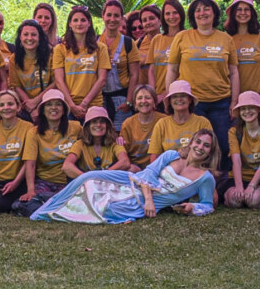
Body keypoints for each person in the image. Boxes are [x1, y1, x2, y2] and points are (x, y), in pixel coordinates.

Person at [31, 131, 218, 223]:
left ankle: (59, 214)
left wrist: (192, 206)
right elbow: (148, 173)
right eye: (198, 142)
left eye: (206, 146)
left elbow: (208, 205)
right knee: (89, 178)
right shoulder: (171, 155)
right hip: (131, 181)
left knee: (106, 209)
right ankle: (45, 209)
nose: (200, 147)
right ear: (191, 142)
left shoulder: (205, 178)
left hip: (137, 203)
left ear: (211, 152)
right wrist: (149, 200)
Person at [164, 0, 239, 155]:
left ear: (214, 13)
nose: (202, 13)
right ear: (192, 15)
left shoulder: (226, 39)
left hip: (221, 103)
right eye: (198, 10)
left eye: (206, 8)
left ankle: (220, 179)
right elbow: (171, 69)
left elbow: (234, 72)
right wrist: (170, 97)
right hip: (191, 103)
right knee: (195, 149)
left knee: (223, 147)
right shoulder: (182, 37)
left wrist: (234, 101)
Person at [52, 5, 111, 120]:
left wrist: (84, 103)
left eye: (83, 20)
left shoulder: (100, 48)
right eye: (75, 20)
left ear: (89, 23)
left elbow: (102, 79)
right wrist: (72, 105)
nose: (79, 23)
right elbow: (59, 80)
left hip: (94, 105)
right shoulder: (60, 49)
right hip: (69, 106)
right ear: (70, 24)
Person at [0, 90, 37, 213]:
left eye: (10, 104)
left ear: (18, 107)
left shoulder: (28, 128)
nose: (6, 108)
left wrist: (15, 183)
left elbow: (27, 162)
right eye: (1, 105)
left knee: (2, 205)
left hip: (15, 179)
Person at [225, 90, 260, 209]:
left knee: (254, 201)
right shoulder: (234, 132)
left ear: (259, 110)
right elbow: (235, 160)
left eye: (251, 107)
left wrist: (252, 186)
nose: (247, 112)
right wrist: (239, 186)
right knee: (234, 200)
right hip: (240, 177)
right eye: (243, 108)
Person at [31, 89, 81, 210]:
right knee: (32, 203)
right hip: (44, 181)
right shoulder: (33, 132)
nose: (54, 108)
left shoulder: (76, 127)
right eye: (49, 104)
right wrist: (30, 190)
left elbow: (93, 139)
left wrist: (118, 140)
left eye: (58, 104)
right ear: (42, 110)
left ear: (64, 109)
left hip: (70, 182)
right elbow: (30, 163)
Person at [99, 0, 141, 123]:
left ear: (122, 18)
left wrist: (129, 101)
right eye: (109, 15)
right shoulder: (94, 42)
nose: (112, 19)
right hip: (99, 99)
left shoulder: (128, 43)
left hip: (122, 99)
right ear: (103, 16)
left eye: (116, 16)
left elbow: (134, 75)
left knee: (122, 136)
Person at [227, 0, 260, 103]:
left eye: (246, 9)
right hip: (234, 99)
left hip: (258, 98)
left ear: (252, 13)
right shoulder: (227, 38)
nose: (243, 13)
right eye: (239, 9)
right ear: (233, 13)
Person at [148, 80, 214, 159]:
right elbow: (155, 156)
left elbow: (210, 153)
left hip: (196, 168)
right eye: (175, 96)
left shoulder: (203, 123)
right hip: (168, 169)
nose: (179, 99)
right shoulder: (162, 124)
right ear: (170, 101)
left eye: (183, 96)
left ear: (190, 100)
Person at [64, 107, 131, 178]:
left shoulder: (114, 143)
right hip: (86, 184)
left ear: (107, 125)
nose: (98, 125)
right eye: (94, 121)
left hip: (108, 182)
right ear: (88, 126)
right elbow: (66, 166)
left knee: (132, 169)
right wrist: (88, 178)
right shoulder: (79, 144)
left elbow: (125, 162)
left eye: (102, 121)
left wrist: (101, 176)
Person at [8, 19, 51, 121]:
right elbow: (16, 86)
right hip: (26, 106)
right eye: (26, 34)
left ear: (39, 37)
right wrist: (30, 106)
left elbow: (55, 83)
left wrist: (36, 102)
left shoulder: (51, 56)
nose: (29, 38)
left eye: (34, 35)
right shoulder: (14, 59)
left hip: (48, 102)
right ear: (20, 37)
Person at [146, 0, 187, 90]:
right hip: (157, 96)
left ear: (181, 14)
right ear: (163, 17)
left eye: (175, 12)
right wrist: (152, 94)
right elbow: (151, 71)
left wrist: (167, 93)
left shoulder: (187, 38)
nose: (171, 17)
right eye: (167, 13)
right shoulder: (156, 39)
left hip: (179, 95)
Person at [120, 84, 160, 170]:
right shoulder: (128, 124)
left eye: (148, 98)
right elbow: (123, 152)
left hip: (158, 166)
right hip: (135, 168)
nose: (144, 101)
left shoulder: (163, 120)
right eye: (139, 98)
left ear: (154, 102)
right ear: (135, 104)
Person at [136, 4, 164, 90]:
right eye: (144, 20)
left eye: (151, 18)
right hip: (143, 96)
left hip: (165, 94)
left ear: (160, 20)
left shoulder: (169, 41)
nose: (148, 22)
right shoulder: (136, 44)